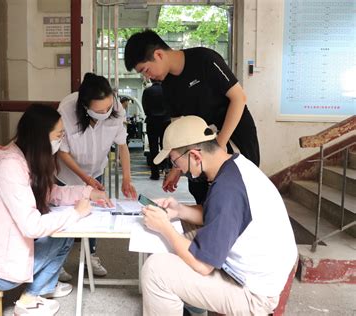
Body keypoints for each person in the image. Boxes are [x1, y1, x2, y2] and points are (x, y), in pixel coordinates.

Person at [139, 116, 297, 316]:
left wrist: (165, 227)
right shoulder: (233, 165)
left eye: (176, 162)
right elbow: (217, 214)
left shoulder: (227, 189)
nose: (178, 169)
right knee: (181, 226)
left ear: (195, 156)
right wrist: (179, 210)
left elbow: (203, 266)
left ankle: (185, 297)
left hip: (254, 294)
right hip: (260, 269)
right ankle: (192, 303)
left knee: (155, 270)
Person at [0, 104, 111, 316]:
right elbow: (32, 226)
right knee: (63, 235)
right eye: (59, 135)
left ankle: (45, 286)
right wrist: (76, 213)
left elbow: (50, 193)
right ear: (40, 137)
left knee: (62, 231)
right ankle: (31, 298)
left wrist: (87, 193)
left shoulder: (23, 158)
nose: (61, 141)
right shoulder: (11, 169)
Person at [124, 29, 260, 204]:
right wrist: (177, 166)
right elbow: (178, 128)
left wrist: (219, 145)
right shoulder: (167, 86)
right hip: (200, 143)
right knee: (200, 191)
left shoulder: (205, 59)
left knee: (238, 189)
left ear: (158, 54)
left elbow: (239, 98)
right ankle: (208, 227)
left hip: (235, 133)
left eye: (146, 70)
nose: (147, 77)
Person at [56, 72, 138, 278]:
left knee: (94, 214)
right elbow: (62, 152)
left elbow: (122, 145)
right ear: (85, 106)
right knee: (65, 217)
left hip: (96, 171)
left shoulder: (117, 108)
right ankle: (57, 264)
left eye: (108, 108)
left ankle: (91, 256)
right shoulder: (67, 110)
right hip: (67, 174)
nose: (105, 112)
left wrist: (127, 178)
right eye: (99, 110)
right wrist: (85, 179)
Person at [141, 80, 171, 180]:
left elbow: (145, 107)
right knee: (165, 147)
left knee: (153, 148)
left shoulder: (147, 91)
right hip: (165, 121)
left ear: (151, 80)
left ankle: (155, 174)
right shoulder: (167, 89)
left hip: (152, 121)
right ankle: (166, 170)